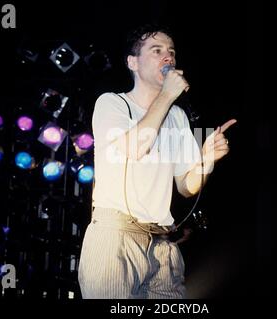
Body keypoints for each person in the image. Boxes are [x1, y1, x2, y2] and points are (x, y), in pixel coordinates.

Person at [78, 24, 236, 299]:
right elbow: (135, 148)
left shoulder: (178, 117)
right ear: (133, 62)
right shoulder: (113, 104)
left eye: (172, 52)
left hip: (163, 245)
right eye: (157, 50)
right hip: (116, 238)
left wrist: (206, 160)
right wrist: (167, 95)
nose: (169, 58)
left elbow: (187, 186)